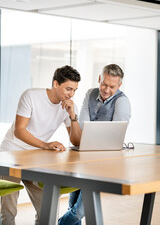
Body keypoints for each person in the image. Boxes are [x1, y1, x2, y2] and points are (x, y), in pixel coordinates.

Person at [0, 65, 81, 225]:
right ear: (56, 84)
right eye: (68, 89)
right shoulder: (31, 96)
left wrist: (72, 116)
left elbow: (77, 141)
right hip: (11, 154)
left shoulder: (68, 106)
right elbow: (19, 131)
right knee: (9, 211)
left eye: (74, 90)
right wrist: (45, 145)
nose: (71, 94)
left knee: (48, 207)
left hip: (34, 159)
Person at [58, 64, 131, 225]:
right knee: (72, 204)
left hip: (104, 162)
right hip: (82, 158)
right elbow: (82, 127)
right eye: (104, 84)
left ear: (119, 86)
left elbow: (115, 136)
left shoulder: (122, 102)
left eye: (112, 86)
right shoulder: (90, 94)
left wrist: (89, 136)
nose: (106, 89)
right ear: (99, 79)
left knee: (78, 211)